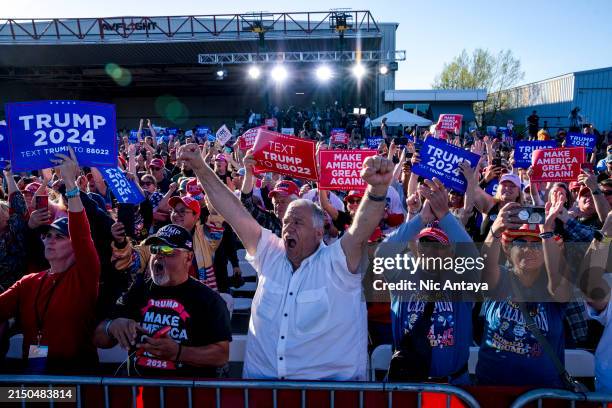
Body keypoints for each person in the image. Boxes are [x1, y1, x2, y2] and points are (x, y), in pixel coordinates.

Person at [177, 143, 394, 380]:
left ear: (319, 232)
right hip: (262, 393)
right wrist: (200, 167)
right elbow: (233, 211)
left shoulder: (339, 263)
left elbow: (361, 229)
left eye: (297, 223)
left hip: (326, 396)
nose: (288, 228)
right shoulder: (270, 253)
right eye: (286, 222)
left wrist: (377, 189)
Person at [0, 148, 101, 373]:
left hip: (76, 381)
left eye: (59, 236)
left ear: (75, 247)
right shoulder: (28, 282)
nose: (49, 240)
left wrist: (70, 184)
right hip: (34, 385)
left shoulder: (84, 276)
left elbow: (82, 235)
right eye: (46, 235)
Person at [94, 224, 231, 377]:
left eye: (167, 250)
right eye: (155, 249)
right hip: (140, 394)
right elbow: (99, 338)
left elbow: (221, 355)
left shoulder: (208, 299)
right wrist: (112, 327)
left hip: (187, 396)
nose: (159, 255)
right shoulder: (138, 290)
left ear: (188, 258)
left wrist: (179, 353)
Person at [378, 178, 479, 384]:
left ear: (451, 250)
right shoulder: (403, 269)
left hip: (453, 386)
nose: (430, 250)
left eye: (438, 245)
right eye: (425, 243)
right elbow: (381, 255)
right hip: (406, 383)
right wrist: (421, 218)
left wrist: (444, 215)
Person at [477, 200, 571, 387]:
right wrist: (495, 230)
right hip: (492, 389)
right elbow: (486, 267)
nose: (528, 249)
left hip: (545, 393)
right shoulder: (500, 278)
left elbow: (557, 285)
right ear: (508, 249)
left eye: (537, 244)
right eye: (520, 242)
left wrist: (546, 233)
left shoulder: (554, 286)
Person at [111, 194, 221, 291]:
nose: (176, 214)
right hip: (160, 304)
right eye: (173, 210)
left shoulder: (206, 238)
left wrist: (206, 182)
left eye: (182, 211)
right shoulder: (155, 240)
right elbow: (130, 263)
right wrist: (121, 243)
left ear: (196, 216)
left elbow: (218, 214)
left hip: (197, 302)